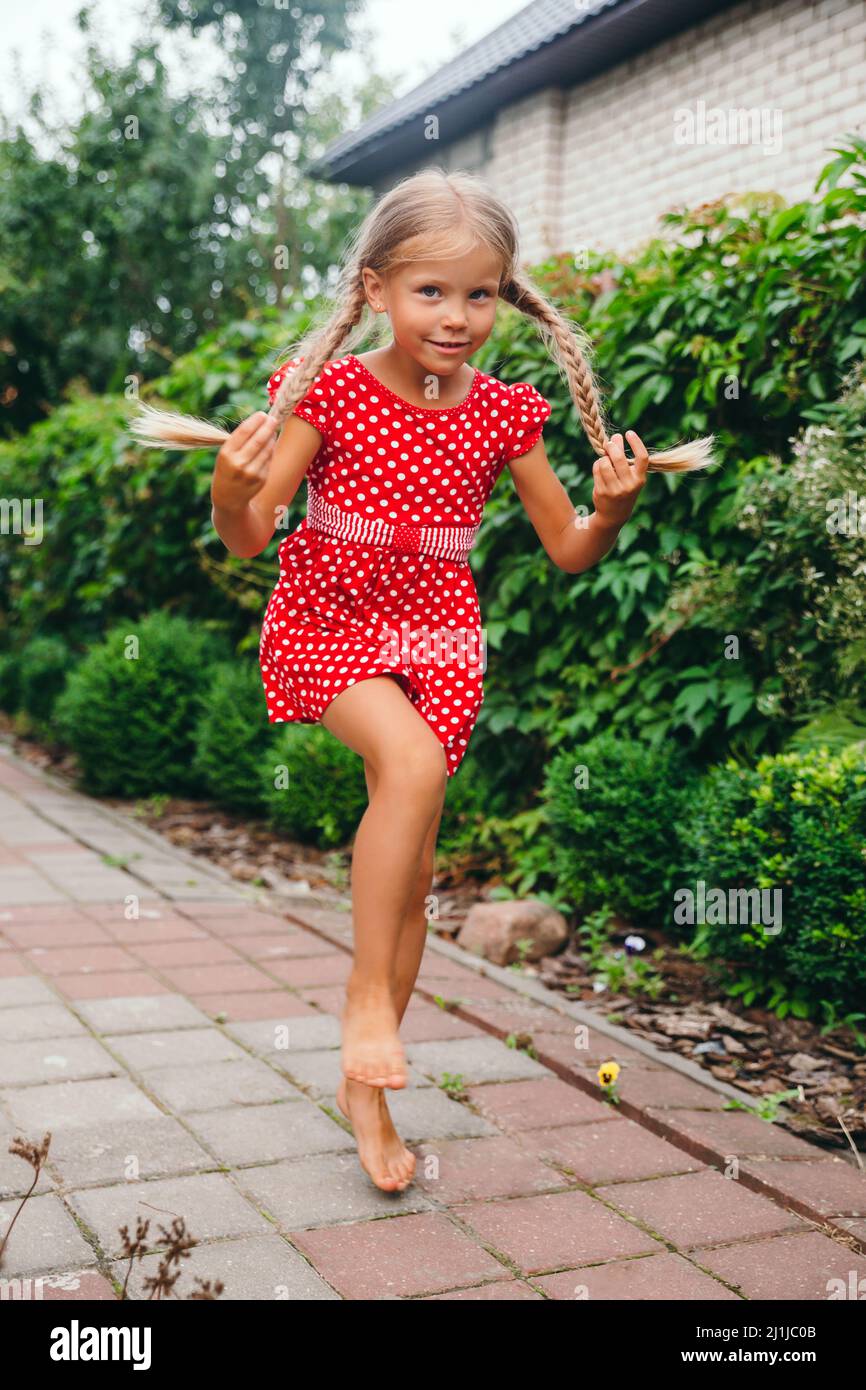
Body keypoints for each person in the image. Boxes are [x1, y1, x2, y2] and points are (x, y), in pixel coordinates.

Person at [129, 166, 714, 1193]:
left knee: (409, 883)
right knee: (405, 763)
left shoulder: (501, 416)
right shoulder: (334, 395)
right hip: (326, 618)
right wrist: (229, 492)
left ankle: (370, 1088)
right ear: (375, 291)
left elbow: (568, 548)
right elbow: (248, 537)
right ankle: (362, 1004)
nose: (454, 316)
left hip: (439, 633)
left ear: (504, 295)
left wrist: (612, 510)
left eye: (477, 293)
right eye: (429, 291)